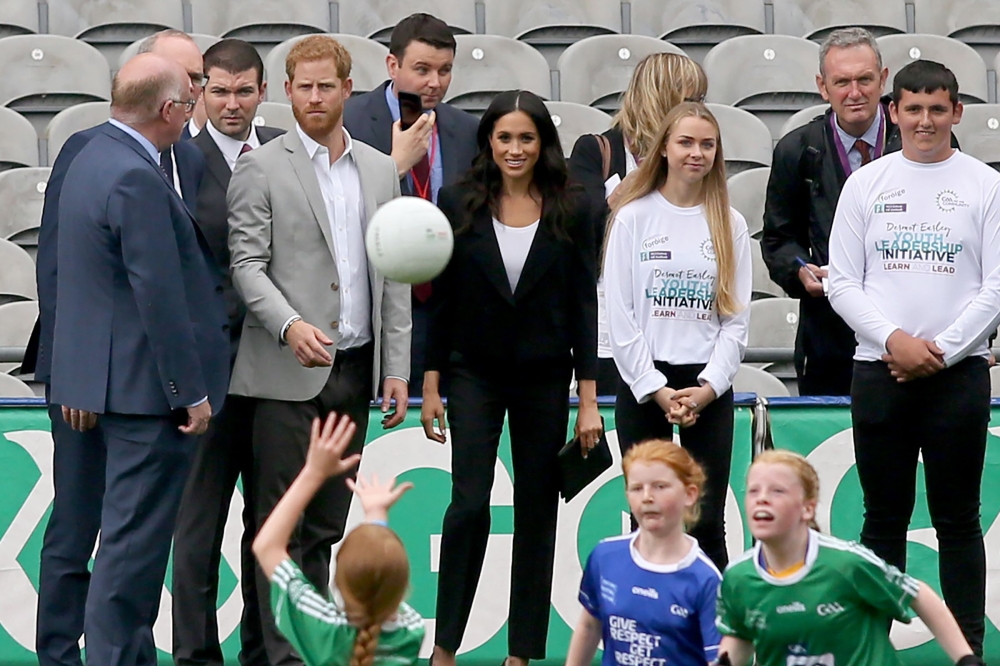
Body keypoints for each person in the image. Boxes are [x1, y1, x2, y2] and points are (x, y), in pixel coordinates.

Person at [227, 34, 410, 666]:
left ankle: (310, 651)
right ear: (285, 92)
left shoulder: (382, 168)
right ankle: (282, 659)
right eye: (301, 86)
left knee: (327, 527)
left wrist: (396, 368)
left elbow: (394, 271)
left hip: (355, 372)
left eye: (324, 85)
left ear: (346, 89)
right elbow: (246, 265)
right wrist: (288, 325)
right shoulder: (261, 165)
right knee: (281, 521)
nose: (312, 96)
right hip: (284, 373)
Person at [43, 53, 229, 666]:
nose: (193, 108)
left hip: (105, 387)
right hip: (146, 399)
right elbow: (159, 294)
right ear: (169, 110)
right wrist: (190, 393)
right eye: (192, 96)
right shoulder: (136, 176)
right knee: (130, 561)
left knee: (117, 553)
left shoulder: (91, 157)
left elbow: (74, 278)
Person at [421, 89, 602, 666]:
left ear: (542, 142)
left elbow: (583, 306)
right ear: (489, 142)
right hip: (473, 373)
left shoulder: (574, 206)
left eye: (526, 138)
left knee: (536, 511)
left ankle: (521, 653)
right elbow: (439, 300)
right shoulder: (457, 201)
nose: (515, 149)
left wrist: (589, 397)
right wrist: (430, 381)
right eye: (505, 138)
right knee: (468, 504)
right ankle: (444, 648)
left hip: (545, 379)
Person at [827, 59, 1000, 655]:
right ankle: (871, 647)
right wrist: (894, 341)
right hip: (880, 374)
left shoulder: (986, 185)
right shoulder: (865, 184)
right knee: (883, 520)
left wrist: (943, 352)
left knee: (957, 521)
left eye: (937, 109)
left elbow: (997, 285)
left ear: (957, 112)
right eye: (912, 109)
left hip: (960, 379)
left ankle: (967, 649)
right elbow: (843, 283)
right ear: (892, 112)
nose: (924, 121)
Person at [171, 38, 285, 666]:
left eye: (244, 91)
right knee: (199, 528)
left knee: (268, 526)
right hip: (206, 376)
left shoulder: (286, 154)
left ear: (263, 92)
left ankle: (263, 650)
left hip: (276, 372)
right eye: (219, 91)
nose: (232, 103)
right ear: (200, 92)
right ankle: (194, 654)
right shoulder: (178, 162)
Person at [603, 102, 752, 570]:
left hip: (707, 388)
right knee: (647, 517)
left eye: (707, 144)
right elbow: (619, 313)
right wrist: (653, 388)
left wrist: (709, 388)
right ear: (664, 148)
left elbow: (736, 321)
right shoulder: (633, 217)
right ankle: (642, 629)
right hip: (646, 388)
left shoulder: (731, 224)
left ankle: (716, 638)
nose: (696, 153)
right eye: (685, 142)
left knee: (706, 520)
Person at [715, 450, 984, 666]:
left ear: (808, 508)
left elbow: (917, 594)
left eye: (777, 491)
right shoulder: (738, 577)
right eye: (753, 491)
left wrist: (966, 658)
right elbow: (740, 637)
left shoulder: (846, 564)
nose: (762, 499)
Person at [343, 12, 479, 396]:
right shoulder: (349, 123)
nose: (435, 82)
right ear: (392, 64)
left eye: (445, 70)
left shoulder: (467, 131)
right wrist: (394, 167)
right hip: (373, 302)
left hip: (444, 307)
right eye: (422, 69)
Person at [762, 28, 898, 396]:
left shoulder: (918, 139)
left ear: (883, 79)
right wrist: (800, 270)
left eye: (865, 79)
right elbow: (778, 239)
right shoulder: (796, 151)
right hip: (828, 340)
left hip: (910, 334)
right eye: (842, 82)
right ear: (823, 87)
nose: (854, 93)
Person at [569, 53, 708, 397]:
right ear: (661, 98)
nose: (699, 113)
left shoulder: (695, 158)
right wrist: (618, 201)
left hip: (674, 320)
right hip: (608, 326)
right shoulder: (596, 150)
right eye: (690, 101)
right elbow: (577, 233)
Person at [252, 412, 423, 666]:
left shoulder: (323, 628)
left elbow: (267, 546)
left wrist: (313, 472)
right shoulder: (411, 631)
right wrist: (376, 514)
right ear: (402, 587)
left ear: (339, 582)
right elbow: (380, 580)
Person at [565, 439, 722, 666]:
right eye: (637, 488)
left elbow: (716, 658)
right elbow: (589, 625)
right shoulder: (605, 557)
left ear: (690, 494)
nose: (647, 497)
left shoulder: (705, 579)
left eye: (660, 486)